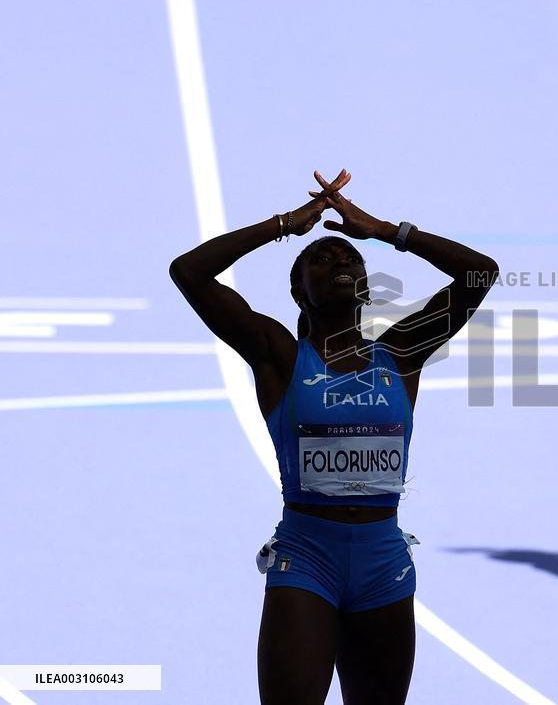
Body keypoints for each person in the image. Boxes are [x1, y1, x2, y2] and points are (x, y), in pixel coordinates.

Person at [168, 168, 499, 704]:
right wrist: (282, 226)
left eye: (350, 259)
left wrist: (389, 231)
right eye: (321, 259)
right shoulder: (278, 354)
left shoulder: (402, 352)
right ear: (299, 291)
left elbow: (480, 274)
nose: (341, 260)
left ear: (366, 286)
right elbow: (189, 272)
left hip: (383, 562)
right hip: (307, 560)